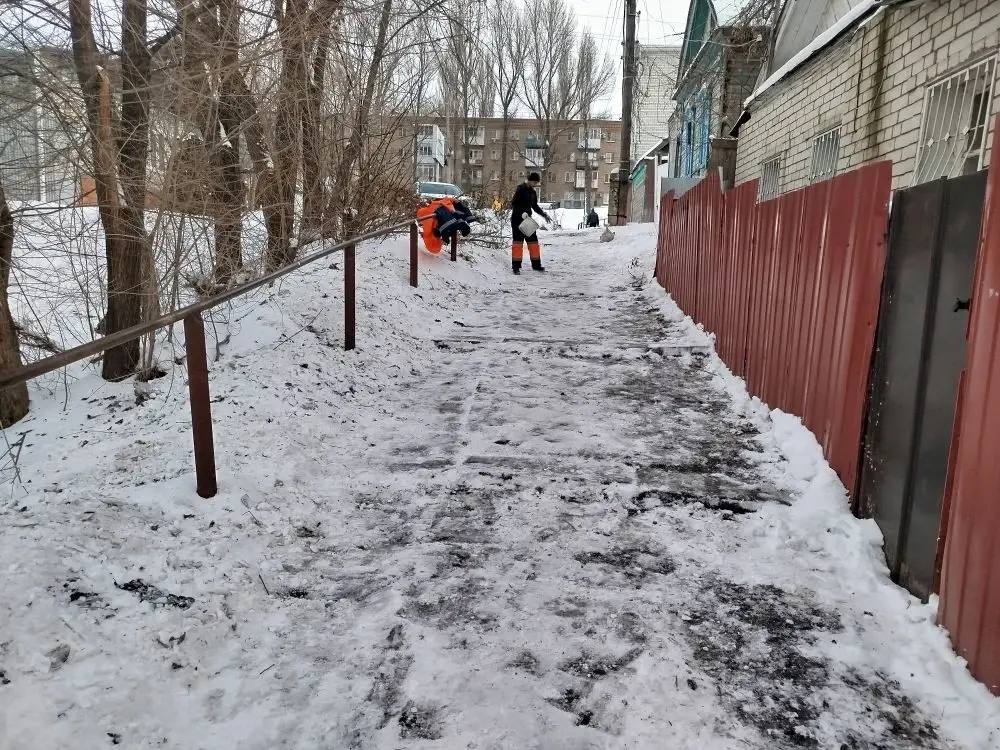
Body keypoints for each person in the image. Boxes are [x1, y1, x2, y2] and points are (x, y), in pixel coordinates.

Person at [509, 172, 549, 274]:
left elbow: (535, 206)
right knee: (518, 243)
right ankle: (516, 267)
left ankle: (536, 265)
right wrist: (521, 212)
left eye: (536, 182)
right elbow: (514, 203)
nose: (535, 184)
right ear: (529, 180)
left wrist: (544, 215)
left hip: (527, 220)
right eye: (534, 182)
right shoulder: (520, 189)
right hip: (517, 220)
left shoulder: (533, 192)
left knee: (533, 242)